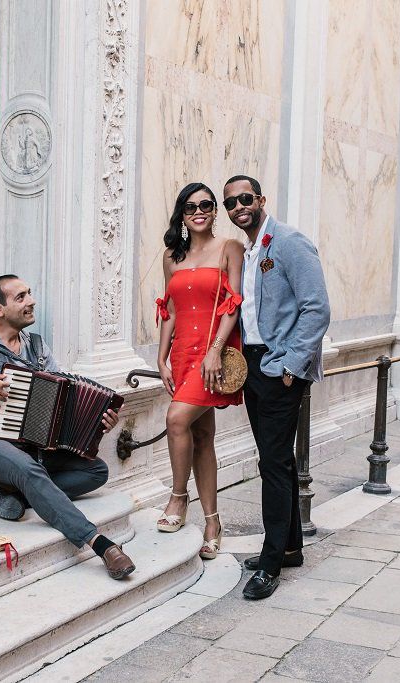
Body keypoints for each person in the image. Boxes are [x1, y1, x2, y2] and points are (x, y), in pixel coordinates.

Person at [0, 275, 135, 580]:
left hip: (26, 442)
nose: (31, 301)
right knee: (30, 470)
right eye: (20, 297)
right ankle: (99, 543)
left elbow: (67, 398)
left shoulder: (37, 347)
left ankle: (17, 498)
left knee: (96, 470)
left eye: (29, 293)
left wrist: (98, 421)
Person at [223, 174, 330, 600]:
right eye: (231, 203)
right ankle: (289, 548)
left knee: (271, 464)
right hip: (254, 365)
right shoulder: (250, 251)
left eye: (245, 198)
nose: (238, 207)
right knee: (278, 459)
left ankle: (269, 563)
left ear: (261, 199)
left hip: (277, 366)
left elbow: (316, 308)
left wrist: (290, 363)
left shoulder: (288, 241)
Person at [154, 182, 245, 560]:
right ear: (182, 212)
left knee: (176, 419)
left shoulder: (230, 248)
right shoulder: (170, 257)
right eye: (191, 206)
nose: (199, 211)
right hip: (181, 354)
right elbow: (170, 309)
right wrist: (161, 358)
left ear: (214, 210)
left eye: (207, 205)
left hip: (213, 355)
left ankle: (178, 498)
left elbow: (234, 303)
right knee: (202, 436)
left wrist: (214, 352)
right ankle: (213, 521)